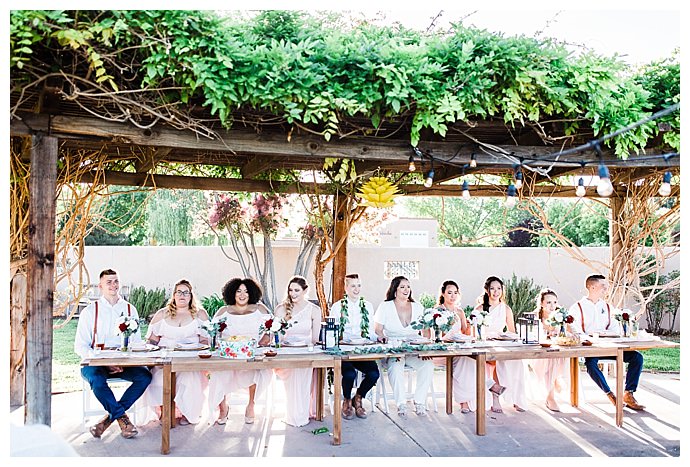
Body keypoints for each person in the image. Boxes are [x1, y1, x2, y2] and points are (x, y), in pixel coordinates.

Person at [74, 269, 152, 439]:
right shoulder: (89, 311)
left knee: (145, 377)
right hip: (95, 363)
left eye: (116, 281)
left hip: (124, 363)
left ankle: (106, 421)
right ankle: (123, 419)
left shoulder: (130, 310)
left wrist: (125, 362)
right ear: (100, 286)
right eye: (108, 282)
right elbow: (80, 346)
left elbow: (136, 342)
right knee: (97, 380)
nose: (113, 285)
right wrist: (104, 362)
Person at [568, 274, 645, 410]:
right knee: (591, 364)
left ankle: (628, 393)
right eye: (603, 286)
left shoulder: (608, 307)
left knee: (637, 357)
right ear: (592, 287)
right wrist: (589, 337)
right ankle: (610, 394)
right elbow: (575, 329)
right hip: (591, 348)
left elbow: (615, 328)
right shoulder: (577, 307)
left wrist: (608, 334)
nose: (606, 289)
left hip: (609, 347)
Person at [142, 279, 210, 425]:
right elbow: (152, 341)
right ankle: (165, 411)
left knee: (189, 380)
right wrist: (155, 356)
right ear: (173, 295)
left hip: (189, 360)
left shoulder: (200, 314)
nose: (182, 295)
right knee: (158, 378)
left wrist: (196, 353)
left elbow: (205, 341)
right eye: (179, 292)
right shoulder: (162, 314)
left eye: (186, 292)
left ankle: (187, 412)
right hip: (165, 359)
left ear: (191, 296)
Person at [208, 277, 272, 425]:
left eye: (246, 291)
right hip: (228, 354)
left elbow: (272, 328)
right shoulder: (223, 311)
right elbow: (213, 332)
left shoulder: (260, 309)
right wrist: (220, 344)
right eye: (238, 291)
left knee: (260, 371)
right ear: (232, 293)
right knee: (218, 373)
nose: (242, 295)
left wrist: (263, 342)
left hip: (253, 352)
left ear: (251, 294)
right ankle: (223, 408)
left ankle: (251, 405)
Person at [373, 275, 434, 418]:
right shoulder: (385, 306)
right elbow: (378, 329)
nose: (406, 289)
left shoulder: (418, 307)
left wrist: (425, 348)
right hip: (394, 351)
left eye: (408, 286)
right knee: (396, 366)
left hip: (414, 350)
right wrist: (384, 339)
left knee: (428, 364)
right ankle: (401, 404)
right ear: (395, 289)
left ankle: (419, 402)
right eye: (402, 287)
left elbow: (425, 331)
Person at [441, 280, 503, 413]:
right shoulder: (437, 312)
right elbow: (435, 335)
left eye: (455, 293)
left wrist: (470, 325)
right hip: (443, 350)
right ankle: (486, 386)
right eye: (449, 292)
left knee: (470, 358)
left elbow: (465, 333)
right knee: (465, 360)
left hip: (458, 348)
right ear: (443, 294)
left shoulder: (460, 311)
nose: (453, 296)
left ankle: (467, 402)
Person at [328, 273, 380, 420]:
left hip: (361, 350)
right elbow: (332, 332)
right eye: (353, 286)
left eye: (358, 285)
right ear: (346, 288)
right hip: (344, 350)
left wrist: (379, 338)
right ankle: (346, 400)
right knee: (349, 374)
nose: (356, 289)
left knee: (373, 374)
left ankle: (358, 397)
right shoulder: (337, 307)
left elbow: (370, 331)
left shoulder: (367, 306)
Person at [273, 275, 322, 427]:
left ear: (305, 290)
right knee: (294, 371)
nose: (293, 293)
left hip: (305, 350)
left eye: (297, 290)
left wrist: (306, 347)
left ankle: (301, 413)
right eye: (290, 290)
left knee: (303, 370)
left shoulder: (314, 310)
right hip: (286, 352)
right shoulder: (281, 309)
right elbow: (277, 337)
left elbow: (314, 339)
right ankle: (294, 414)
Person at [475, 276, 528, 413]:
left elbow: (512, 332)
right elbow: (474, 332)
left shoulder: (506, 309)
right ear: (487, 290)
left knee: (518, 362)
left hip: (502, 343)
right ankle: (495, 398)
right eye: (492, 288)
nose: (496, 291)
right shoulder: (480, 309)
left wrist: (505, 338)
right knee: (494, 362)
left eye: (499, 288)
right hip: (485, 344)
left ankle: (517, 399)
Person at [531, 288, 568, 412]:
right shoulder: (535, 317)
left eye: (554, 302)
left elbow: (569, 332)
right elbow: (530, 336)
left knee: (555, 357)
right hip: (537, 352)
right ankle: (552, 392)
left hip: (555, 352)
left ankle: (550, 395)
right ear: (541, 303)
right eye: (548, 302)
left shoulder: (560, 316)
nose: (552, 306)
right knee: (550, 359)